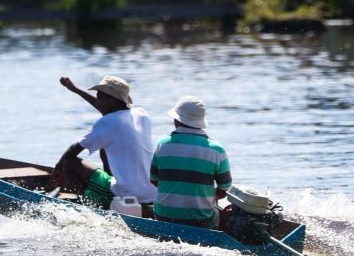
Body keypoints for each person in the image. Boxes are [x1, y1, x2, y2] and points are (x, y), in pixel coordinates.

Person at [49, 75, 157, 210]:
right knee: (104, 147)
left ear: (111, 100)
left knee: (69, 163)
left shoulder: (108, 122)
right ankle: (106, 195)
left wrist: (58, 169)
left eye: (100, 97)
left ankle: (89, 206)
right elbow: (107, 110)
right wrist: (75, 90)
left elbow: (74, 149)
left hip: (125, 192)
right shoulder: (141, 114)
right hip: (151, 192)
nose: (97, 101)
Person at [150, 96, 232, 228]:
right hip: (201, 220)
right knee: (222, 214)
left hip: (163, 216)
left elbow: (154, 180)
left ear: (177, 119)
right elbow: (225, 188)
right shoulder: (216, 150)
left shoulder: (163, 144)